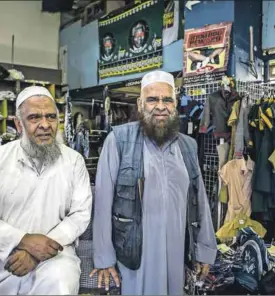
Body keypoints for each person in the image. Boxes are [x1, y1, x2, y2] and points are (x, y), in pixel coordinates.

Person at [90, 70, 217, 295]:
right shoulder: (118, 140)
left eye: (167, 99)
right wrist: (104, 258)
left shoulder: (188, 146)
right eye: (152, 99)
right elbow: (102, 204)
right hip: (134, 255)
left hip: (177, 252)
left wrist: (204, 250)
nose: (160, 106)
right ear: (140, 105)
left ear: (175, 105)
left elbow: (200, 203)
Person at [0, 86, 92, 295]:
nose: (45, 125)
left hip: (55, 258)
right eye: (34, 117)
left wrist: (39, 252)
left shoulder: (73, 161)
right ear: (18, 124)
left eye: (51, 117)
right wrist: (24, 241)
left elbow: (80, 215)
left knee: (59, 282)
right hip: (4, 263)